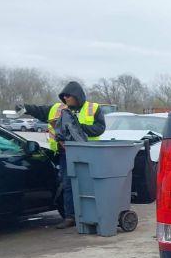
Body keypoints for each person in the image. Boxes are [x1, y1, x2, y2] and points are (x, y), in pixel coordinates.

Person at [17, 81, 105, 228]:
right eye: (63, 96)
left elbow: (100, 128)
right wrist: (25, 108)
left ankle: (93, 215)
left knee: (88, 185)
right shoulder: (57, 109)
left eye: (68, 96)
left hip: (88, 153)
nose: (65, 99)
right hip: (66, 154)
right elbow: (40, 110)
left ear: (77, 96)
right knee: (68, 185)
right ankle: (70, 217)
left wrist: (78, 128)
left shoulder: (93, 108)